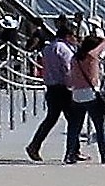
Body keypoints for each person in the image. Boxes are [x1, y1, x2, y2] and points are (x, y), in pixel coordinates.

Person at [25, 18, 78, 161]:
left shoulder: (48, 48)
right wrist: (72, 85)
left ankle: (34, 145)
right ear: (67, 36)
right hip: (64, 88)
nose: (76, 38)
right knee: (73, 119)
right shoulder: (65, 50)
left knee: (51, 118)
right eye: (74, 35)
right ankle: (73, 151)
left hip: (51, 88)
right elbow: (68, 69)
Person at [62, 31, 105, 164]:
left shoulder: (75, 58)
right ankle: (104, 153)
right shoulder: (92, 56)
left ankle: (69, 153)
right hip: (91, 94)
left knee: (74, 127)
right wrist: (99, 34)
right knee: (99, 126)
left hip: (77, 94)